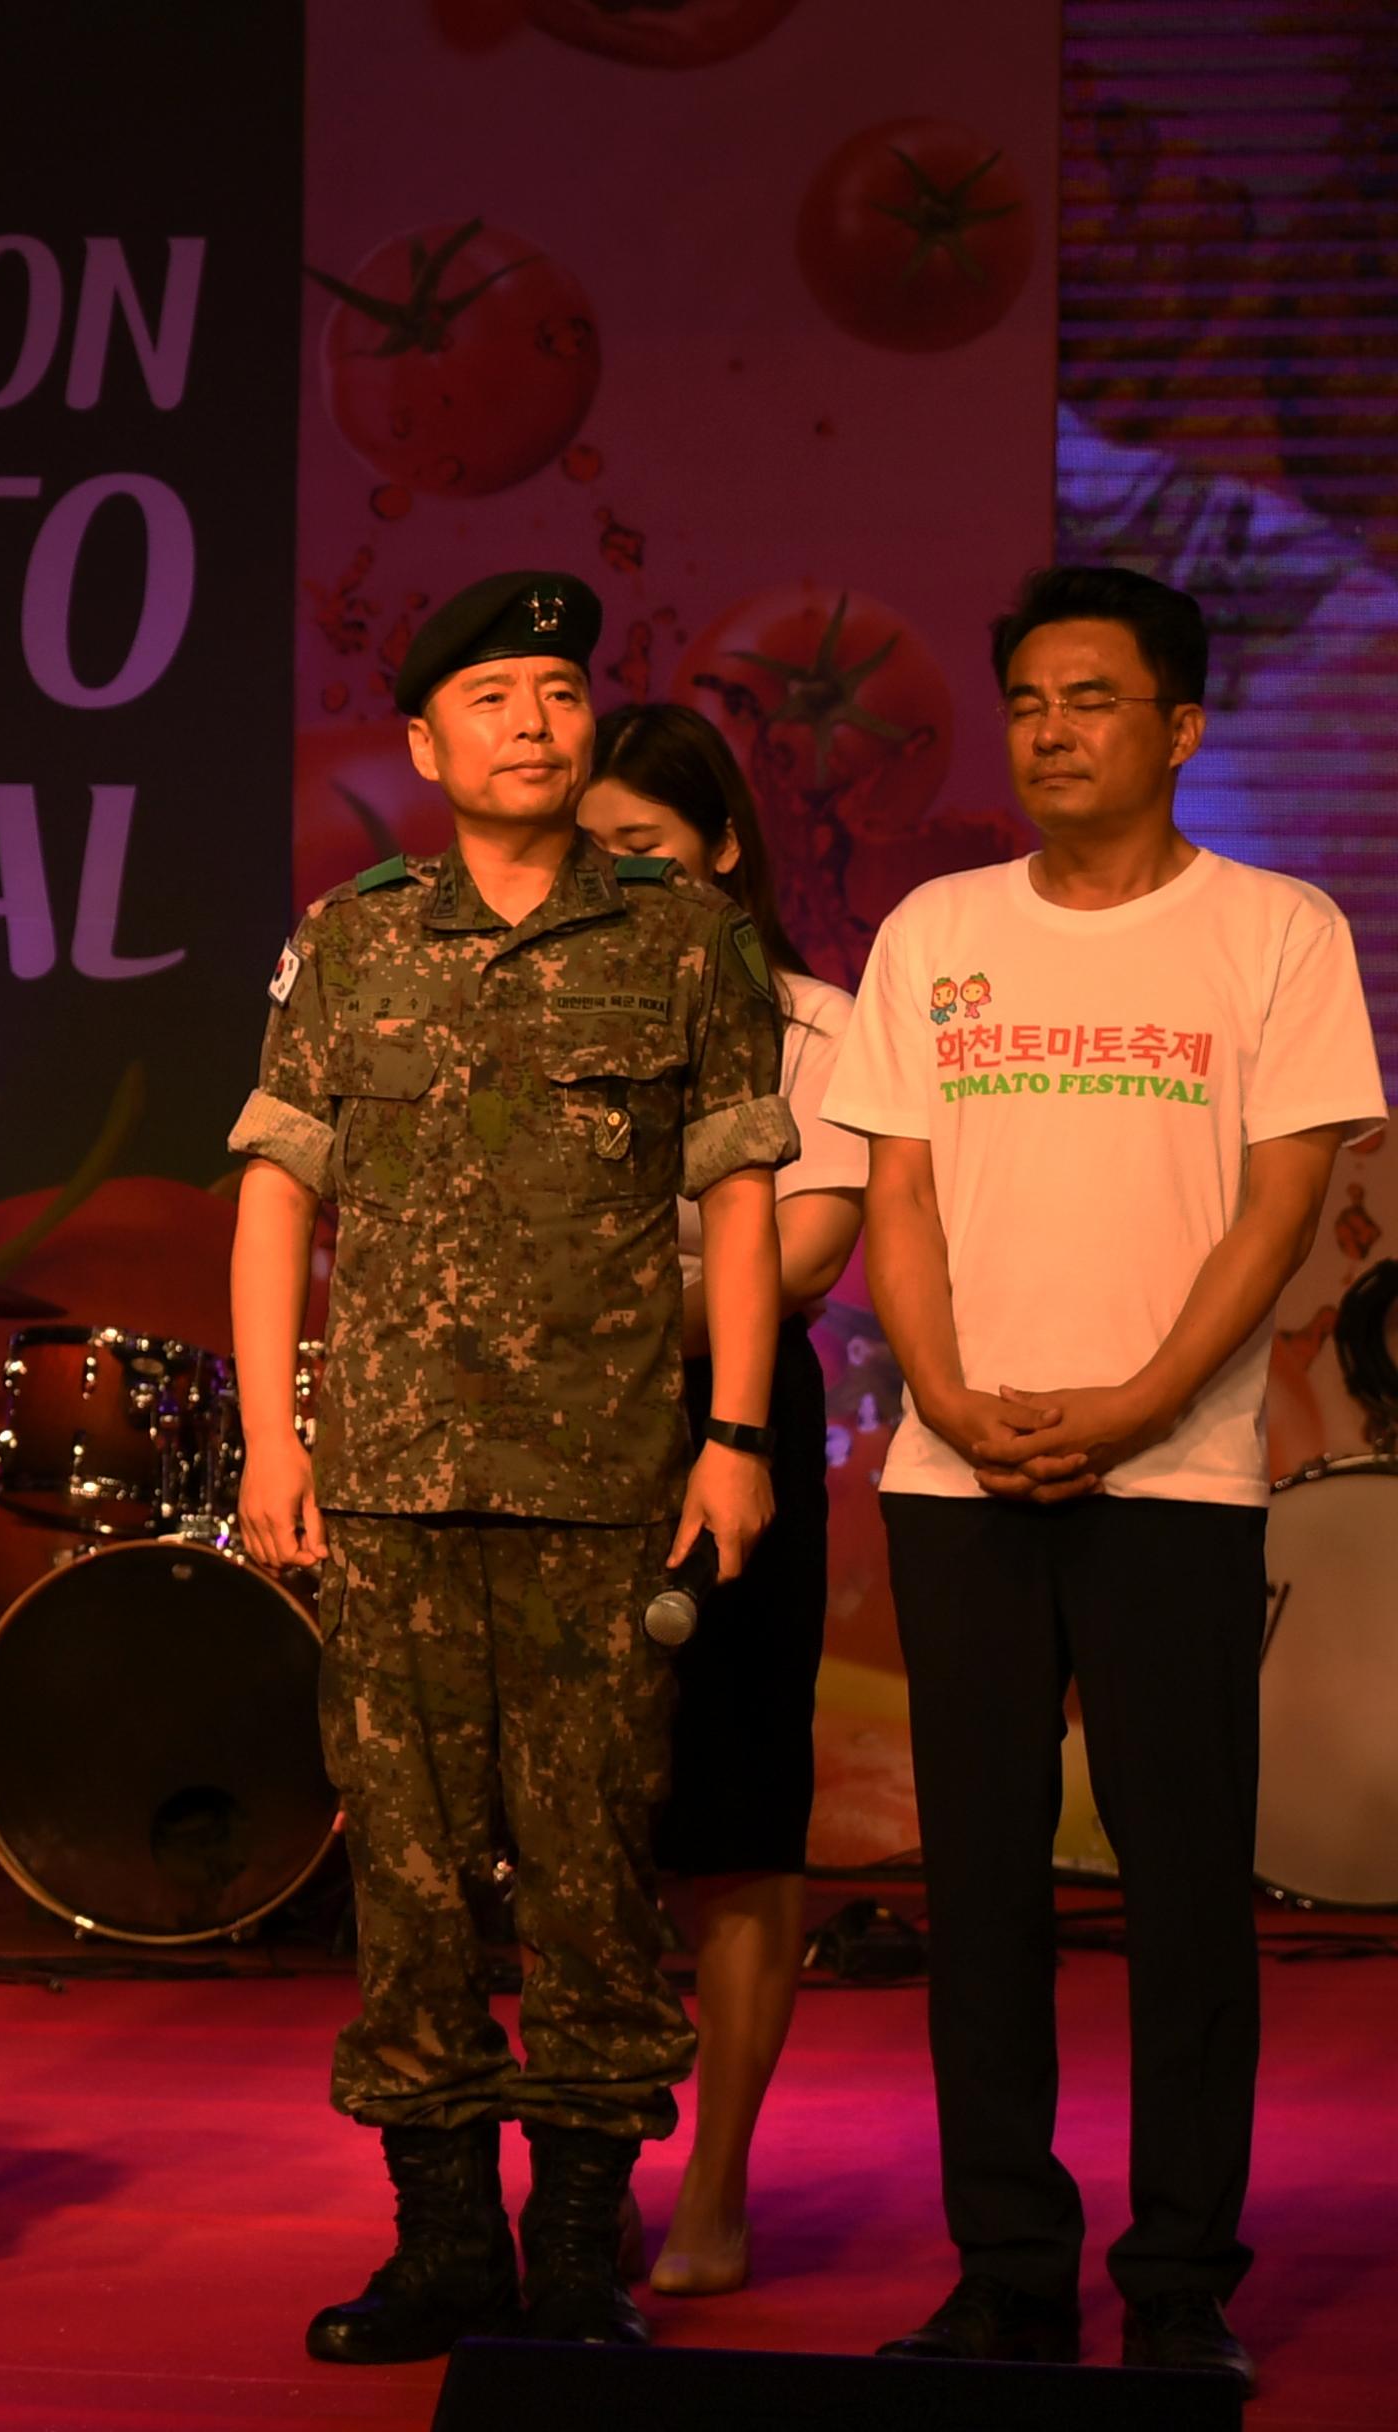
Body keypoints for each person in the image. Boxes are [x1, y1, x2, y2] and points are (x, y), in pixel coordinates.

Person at [229, 571, 795, 2362]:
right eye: (489, 697)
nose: (531, 724)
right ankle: (442, 2245)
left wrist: (733, 1438)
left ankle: (574, 2253)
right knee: (400, 1874)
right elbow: (274, 1189)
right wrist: (271, 1433)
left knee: (591, 1878)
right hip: (390, 1485)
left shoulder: (680, 940)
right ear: (423, 743)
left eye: (555, 691)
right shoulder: (351, 940)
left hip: (604, 1481)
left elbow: (738, 1195)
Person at [827, 566, 1382, 2389]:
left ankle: (1173, 2279)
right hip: (955, 1471)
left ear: (1178, 727)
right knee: (974, 1882)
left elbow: (1279, 1203)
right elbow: (892, 1198)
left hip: (1181, 1479)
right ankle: (1004, 2264)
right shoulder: (930, 930)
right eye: (1027, 703)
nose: (1052, 730)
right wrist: (948, 1393)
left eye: (1090, 698)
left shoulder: (1274, 928)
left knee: (1179, 1886)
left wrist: (1139, 1400)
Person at [577, 703, 871, 2296]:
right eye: (590, 851)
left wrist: (577, 1295)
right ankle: (595, 2165)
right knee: (579, 1825)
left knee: (739, 1821)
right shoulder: (547, 1005)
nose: (614, 878)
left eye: (644, 849)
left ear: (726, 849)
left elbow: (808, 1259)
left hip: (734, 1420)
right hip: (563, 1437)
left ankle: (724, 2181)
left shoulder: (820, 1024)